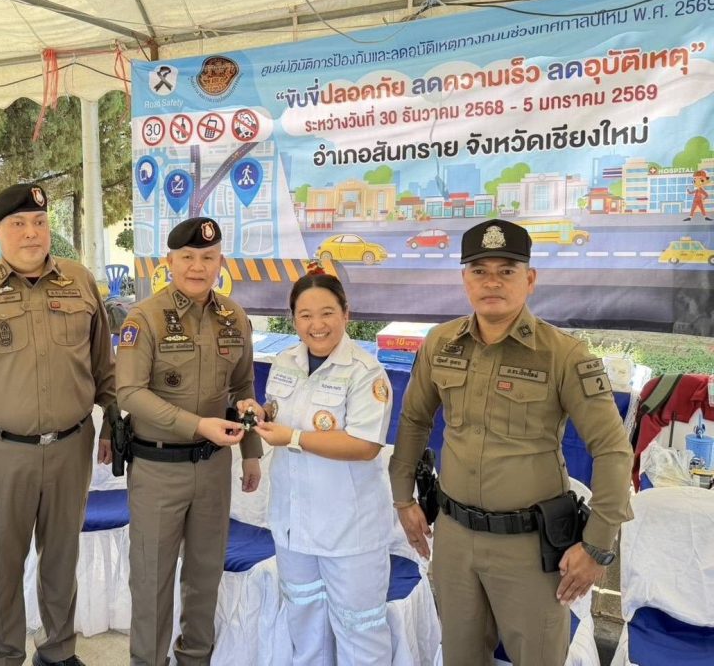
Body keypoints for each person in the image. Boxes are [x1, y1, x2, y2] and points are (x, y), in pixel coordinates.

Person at [388, 219, 633, 666]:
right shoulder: (440, 343)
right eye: (480, 271)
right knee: (459, 657)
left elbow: (613, 450)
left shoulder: (563, 355)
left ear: (530, 279)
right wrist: (402, 497)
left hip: (529, 549)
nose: (492, 282)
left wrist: (597, 545)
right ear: (465, 279)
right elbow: (413, 421)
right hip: (454, 538)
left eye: (506, 271)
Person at [0, 183, 114, 666]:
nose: (31, 233)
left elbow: (104, 366)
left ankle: (57, 651)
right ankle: (5, 655)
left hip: (71, 447)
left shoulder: (79, 281)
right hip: (0, 452)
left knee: (61, 559)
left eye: (39, 222)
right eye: (18, 224)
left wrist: (113, 423)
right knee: (3, 566)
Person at [115, 217, 262, 666]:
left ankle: (195, 658)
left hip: (214, 468)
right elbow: (130, 393)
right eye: (188, 257)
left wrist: (251, 452)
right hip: (159, 470)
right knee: (152, 580)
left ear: (220, 262)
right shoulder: (145, 318)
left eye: (208, 258)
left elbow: (243, 386)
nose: (198, 267)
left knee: (205, 575)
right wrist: (197, 425)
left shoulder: (233, 316)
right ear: (169, 261)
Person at [236, 268, 393, 665]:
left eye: (327, 313)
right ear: (293, 319)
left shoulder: (366, 372)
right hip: (294, 524)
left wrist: (292, 437)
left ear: (346, 314)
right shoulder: (286, 361)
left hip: (348, 532)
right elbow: (282, 411)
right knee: (305, 627)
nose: (316, 325)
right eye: (305, 315)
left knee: (360, 634)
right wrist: (261, 412)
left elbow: (365, 445)